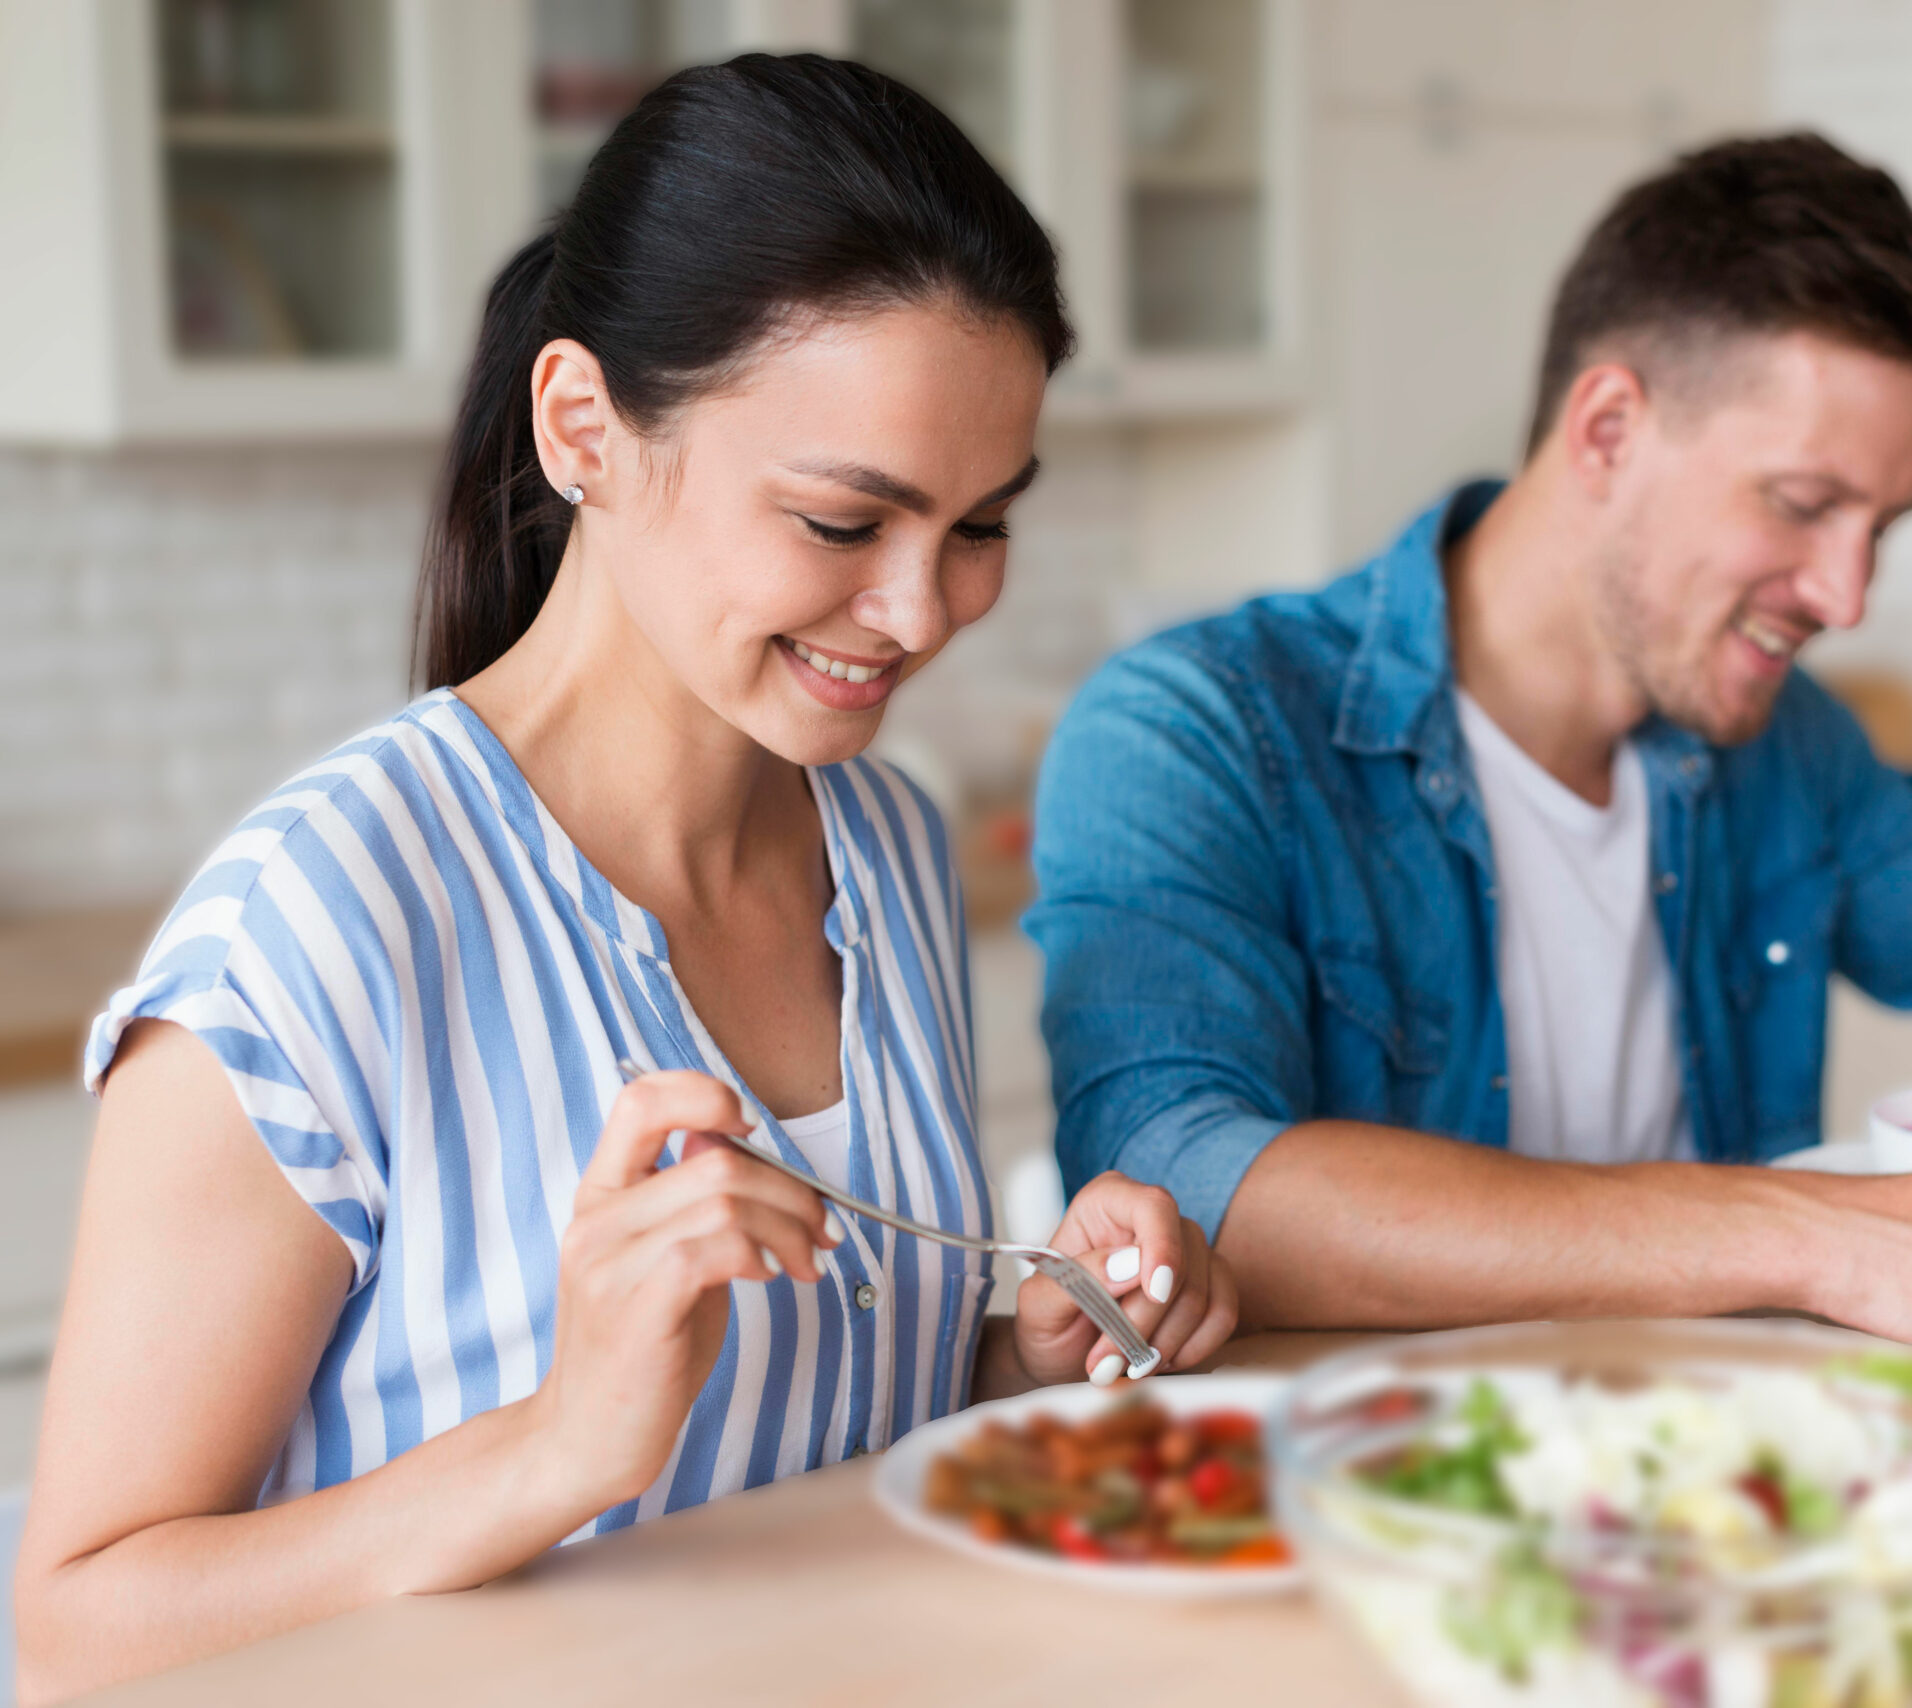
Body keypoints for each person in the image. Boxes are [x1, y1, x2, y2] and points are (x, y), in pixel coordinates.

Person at [13, 57, 1236, 1705]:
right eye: (839, 520)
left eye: (978, 528)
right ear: (585, 425)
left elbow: (816, 1436)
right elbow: (83, 1622)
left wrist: (1021, 1353)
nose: (924, 611)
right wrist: (558, 1445)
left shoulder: (875, 837)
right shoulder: (318, 921)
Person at [1025, 132, 1912, 1347]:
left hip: (1715, 1484)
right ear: (1610, 427)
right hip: (1378, 1507)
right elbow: (1184, 1182)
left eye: (1882, 530)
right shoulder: (1199, 730)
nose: (1847, 597)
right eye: (1802, 505)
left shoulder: (1779, 750)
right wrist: (1832, 1230)